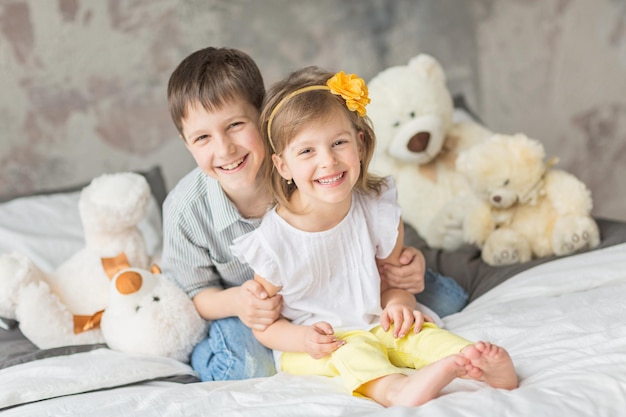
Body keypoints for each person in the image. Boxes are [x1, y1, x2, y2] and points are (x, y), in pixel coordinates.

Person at [161, 46, 467, 382]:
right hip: (257, 311)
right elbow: (194, 292)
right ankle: (202, 355)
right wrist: (238, 302)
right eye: (202, 137)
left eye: (235, 125)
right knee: (243, 367)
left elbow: (363, 224)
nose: (224, 149)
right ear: (187, 143)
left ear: (263, 118)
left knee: (447, 301)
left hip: (337, 284)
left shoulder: (309, 165)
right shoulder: (185, 210)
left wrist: (405, 268)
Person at [231, 67, 518, 407]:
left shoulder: (375, 208)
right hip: (319, 343)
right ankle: (395, 390)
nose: (328, 161)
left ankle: (474, 361)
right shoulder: (275, 241)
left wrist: (399, 305)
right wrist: (302, 338)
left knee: (418, 333)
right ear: (283, 167)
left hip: (375, 320)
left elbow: (394, 279)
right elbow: (265, 325)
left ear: (360, 143)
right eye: (307, 152)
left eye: (339, 143)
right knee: (351, 353)